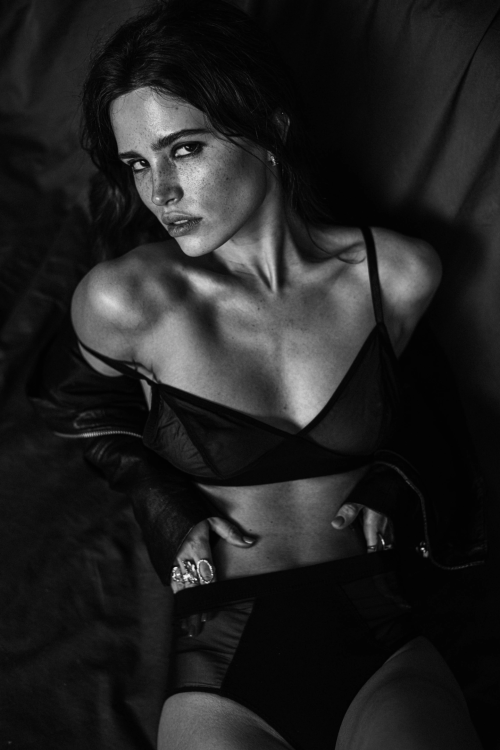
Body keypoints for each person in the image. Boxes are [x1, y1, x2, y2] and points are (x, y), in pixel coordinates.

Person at [34, 1, 485, 748]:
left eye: (183, 150)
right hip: (222, 656)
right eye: (138, 164)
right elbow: (73, 402)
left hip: (382, 636)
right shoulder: (129, 301)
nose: (160, 192)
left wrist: (397, 477)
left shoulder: (396, 276)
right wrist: (157, 497)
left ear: (269, 130)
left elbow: (430, 408)